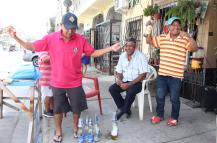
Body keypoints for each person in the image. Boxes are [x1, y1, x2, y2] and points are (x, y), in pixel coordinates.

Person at [7, 12, 120, 142]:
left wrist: (111, 48)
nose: (71, 31)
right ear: (61, 25)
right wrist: (16, 37)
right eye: (68, 27)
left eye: (73, 28)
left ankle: (76, 128)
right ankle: (59, 130)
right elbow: (30, 46)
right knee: (58, 109)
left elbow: (93, 52)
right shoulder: (51, 38)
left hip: (75, 82)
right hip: (57, 82)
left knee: (77, 108)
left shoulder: (80, 39)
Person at [145, 16, 198, 126]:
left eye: (178, 25)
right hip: (163, 74)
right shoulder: (162, 38)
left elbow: (194, 48)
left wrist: (189, 36)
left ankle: (174, 117)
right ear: (168, 27)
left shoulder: (184, 39)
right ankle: (159, 115)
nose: (176, 27)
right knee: (160, 96)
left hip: (176, 76)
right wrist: (149, 28)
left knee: (174, 98)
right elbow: (148, 41)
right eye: (173, 25)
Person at [109, 37, 149, 120]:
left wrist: (129, 84)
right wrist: (119, 80)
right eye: (126, 46)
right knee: (112, 89)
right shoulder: (122, 56)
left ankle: (123, 110)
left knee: (130, 91)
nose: (128, 48)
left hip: (138, 82)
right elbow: (119, 71)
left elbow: (143, 75)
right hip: (125, 80)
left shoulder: (141, 56)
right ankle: (125, 109)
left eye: (131, 46)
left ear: (135, 47)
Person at [38, 51, 54, 118]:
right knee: (47, 95)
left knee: (51, 95)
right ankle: (46, 111)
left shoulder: (49, 51)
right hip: (46, 80)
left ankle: (51, 109)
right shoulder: (43, 52)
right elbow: (45, 59)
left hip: (51, 79)